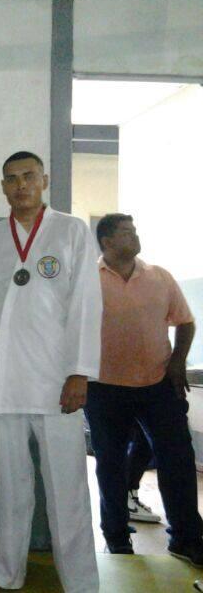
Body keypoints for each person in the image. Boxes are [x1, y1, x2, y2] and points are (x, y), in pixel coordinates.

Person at [0, 151, 101, 592]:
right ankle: (6, 573)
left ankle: (80, 582)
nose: (20, 185)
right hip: (3, 377)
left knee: (67, 488)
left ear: (45, 180)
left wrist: (79, 372)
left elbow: (86, 305)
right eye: (11, 179)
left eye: (28, 176)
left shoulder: (71, 231)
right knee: (9, 485)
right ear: (3, 187)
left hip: (57, 379)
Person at [85, 213, 201, 563]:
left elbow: (185, 322)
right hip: (105, 389)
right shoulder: (87, 279)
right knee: (110, 464)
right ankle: (117, 539)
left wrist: (178, 361)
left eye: (134, 230)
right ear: (107, 242)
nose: (135, 236)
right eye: (126, 232)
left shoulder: (159, 276)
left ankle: (186, 538)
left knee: (177, 459)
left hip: (158, 385)